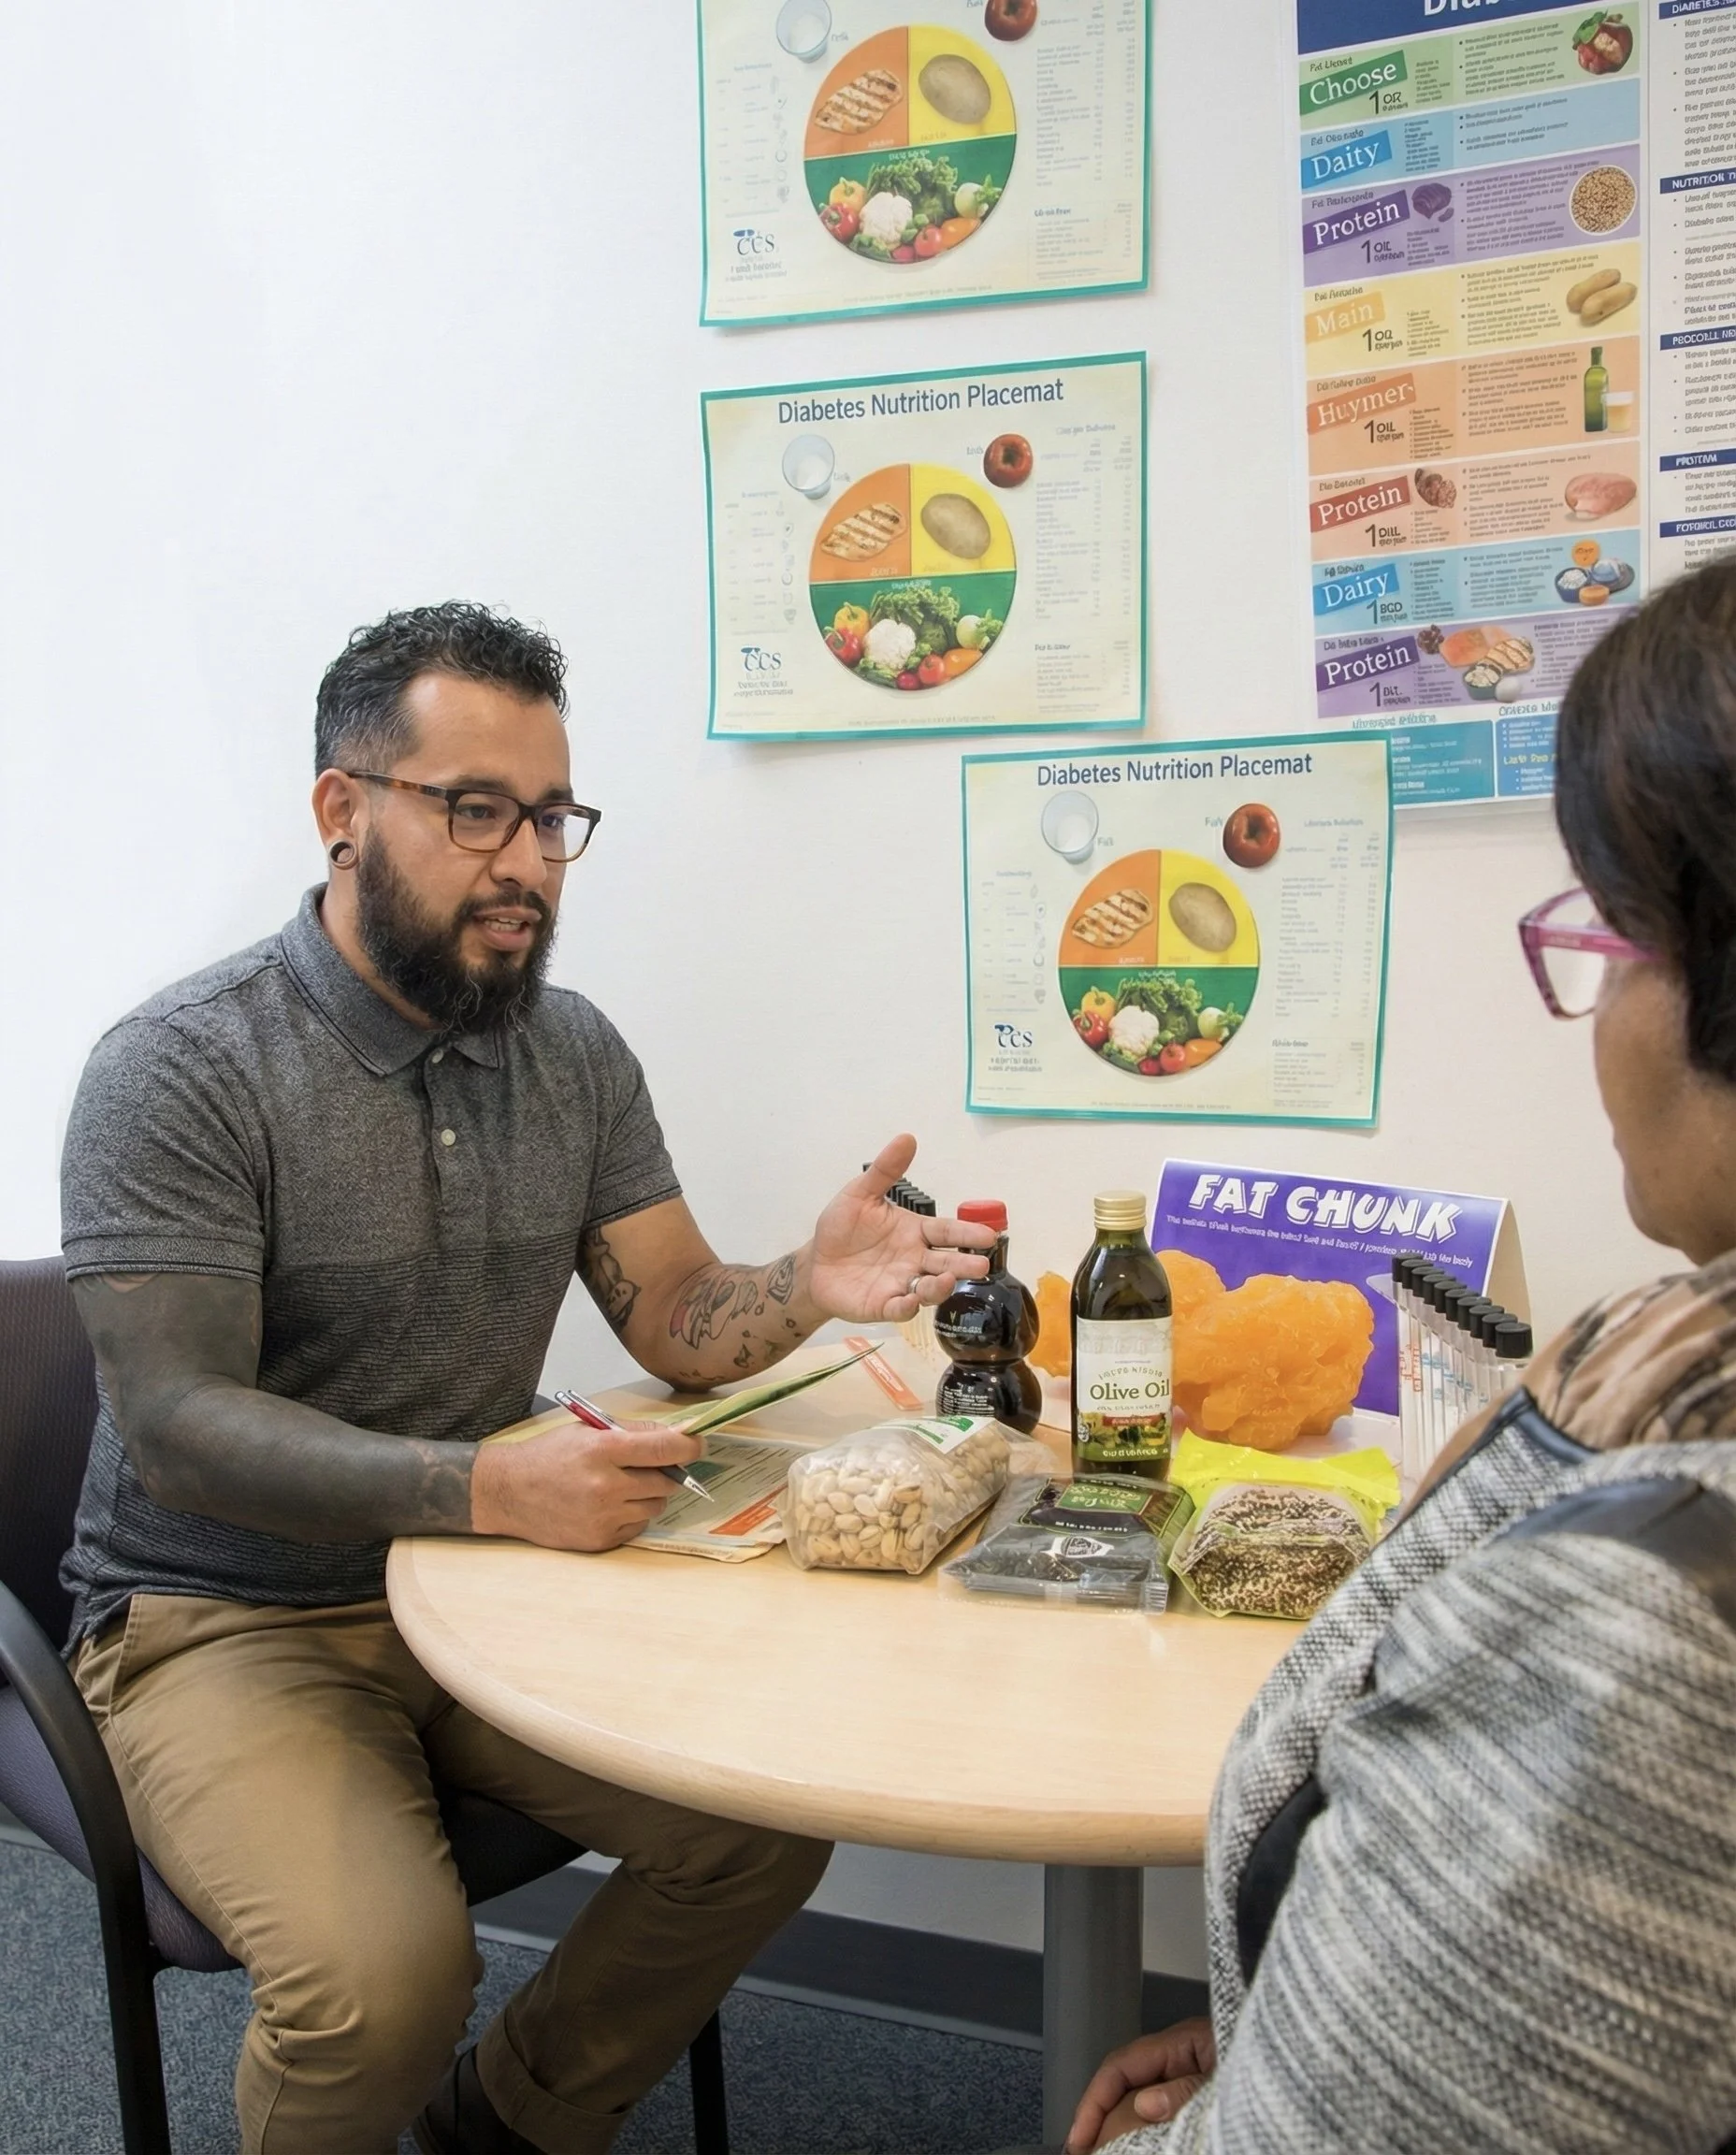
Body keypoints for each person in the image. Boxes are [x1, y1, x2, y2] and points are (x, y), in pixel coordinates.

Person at [60, 600, 994, 2155]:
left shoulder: (569, 1054)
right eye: (475, 810)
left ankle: (501, 2126)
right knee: (381, 1980)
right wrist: (484, 1484)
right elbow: (181, 1432)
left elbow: (680, 1312)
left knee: (763, 1825)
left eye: (554, 816)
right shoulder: (182, 1067)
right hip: (220, 1615)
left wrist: (808, 1286)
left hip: (479, 1587)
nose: (529, 861)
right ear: (341, 813)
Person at [1068, 556, 1736, 2155]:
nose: (1594, 1015)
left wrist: (1291, 2083)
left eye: (1613, 937)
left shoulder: (1645, 1615)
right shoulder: (1662, 1359)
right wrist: (1317, 2005)